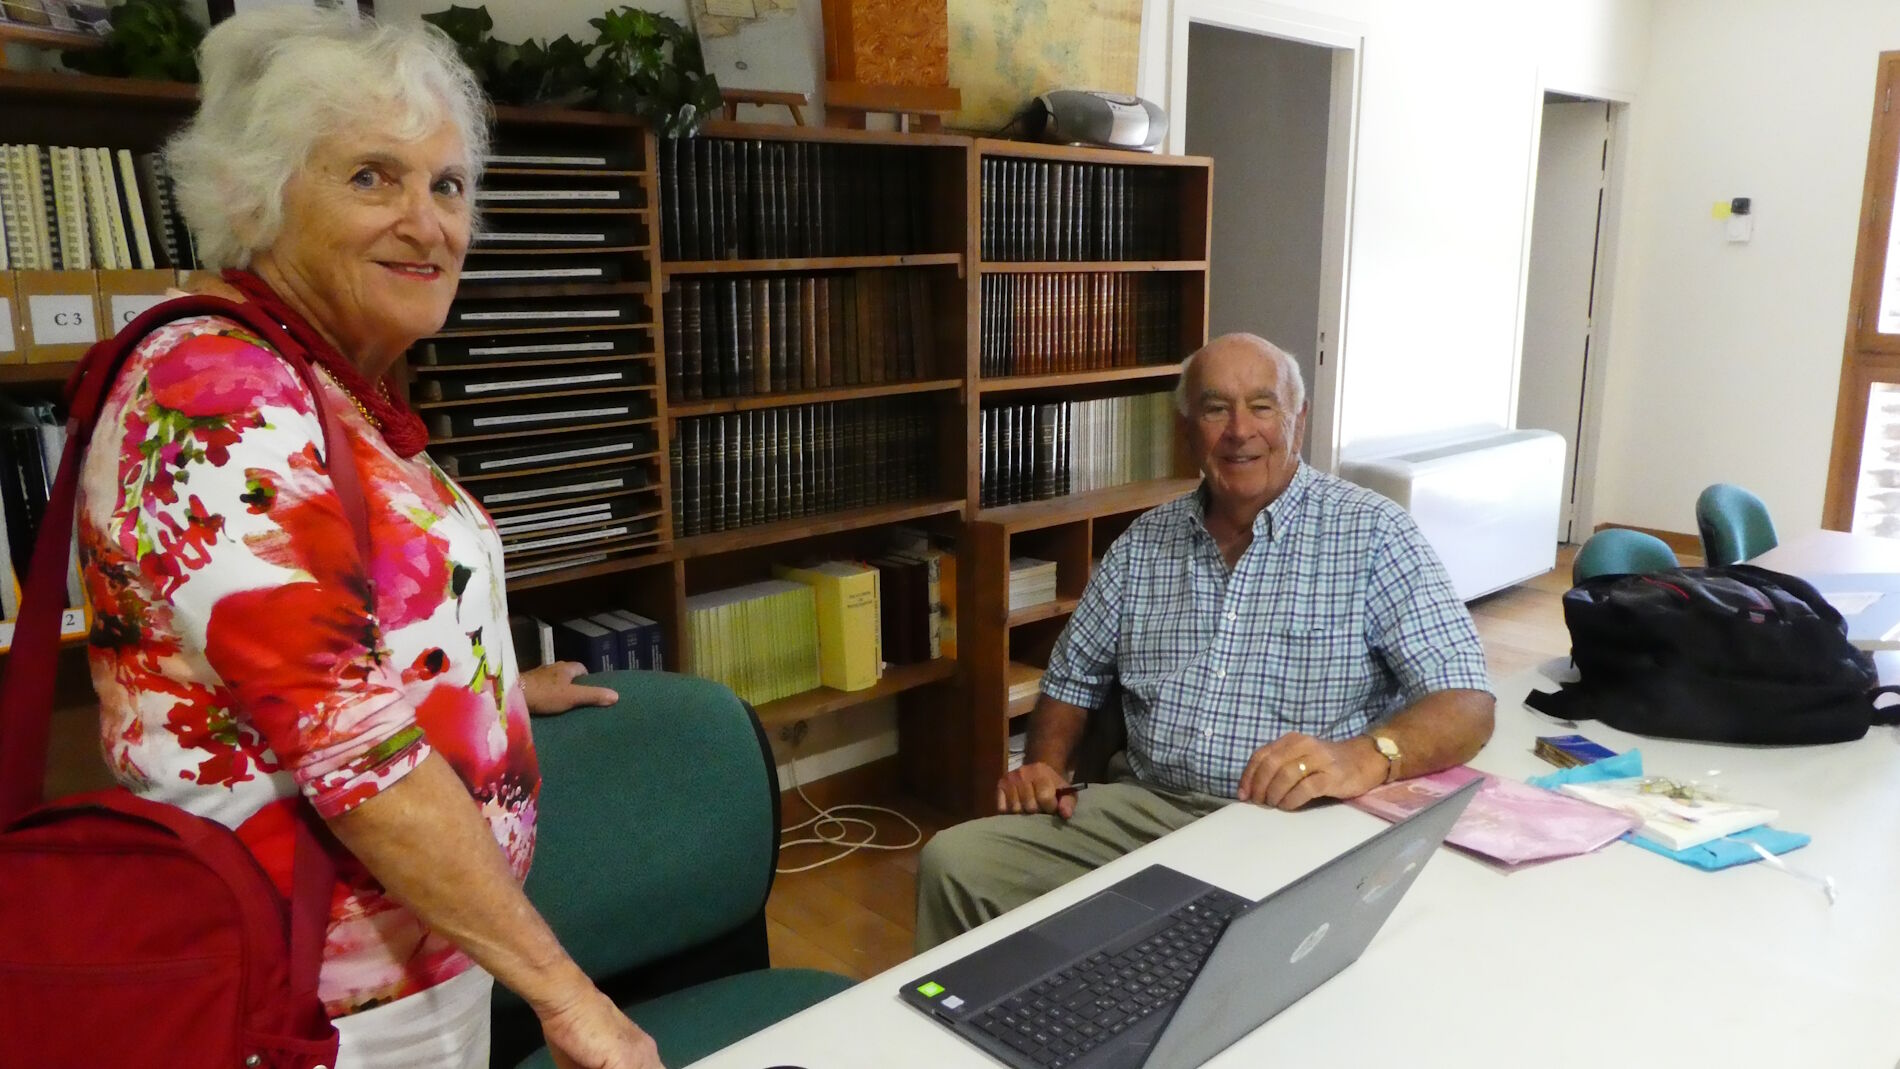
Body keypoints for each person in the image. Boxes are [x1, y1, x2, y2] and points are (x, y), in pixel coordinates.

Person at [76, 10, 660, 1068]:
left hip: (401, 968)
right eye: (370, 178)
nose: (427, 224)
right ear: (258, 195)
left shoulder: (321, 376)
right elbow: (358, 754)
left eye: (448, 185)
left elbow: (326, 647)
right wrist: (572, 999)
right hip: (314, 1001)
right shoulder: (218, 393)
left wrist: (485, 692)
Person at [915, 333, 1496, 950]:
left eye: (1262, 406)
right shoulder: (1142, 546)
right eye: (1216, 408)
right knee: (956, 864)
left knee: (1246, 953)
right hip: (1147, 809)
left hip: (1297, 822)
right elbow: (1071, 680)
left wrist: (1368, 755)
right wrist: (1046, 767)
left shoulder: (1374, 533)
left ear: (1298, 420)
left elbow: (1467, 700)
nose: (1240, 431)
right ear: (1186, 430)